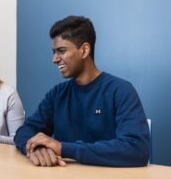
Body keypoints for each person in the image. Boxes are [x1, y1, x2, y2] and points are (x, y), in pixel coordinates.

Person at [14, 15, 150, 167]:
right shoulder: (57, 94)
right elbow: (24, 131)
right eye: (54, 52)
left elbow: (137, 148)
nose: (54, 59)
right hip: (65, 178)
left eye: (61, 51)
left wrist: (63, 148)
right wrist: (36, 147)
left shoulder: (121, 91)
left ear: (84, 50)